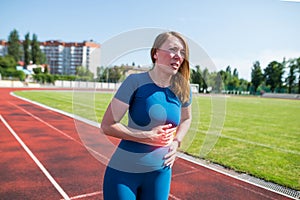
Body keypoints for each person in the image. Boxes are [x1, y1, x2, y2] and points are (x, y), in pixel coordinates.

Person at [101, 31, 192, 200]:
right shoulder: (134, 82)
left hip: (160, 174)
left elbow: (187, 119)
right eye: (173, 49)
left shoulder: (183, 89)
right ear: (155, 53)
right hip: (124, 173)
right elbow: (107, 125)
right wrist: (147, 136)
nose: (178, 56)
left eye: (182, 52)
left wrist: (176, 141)